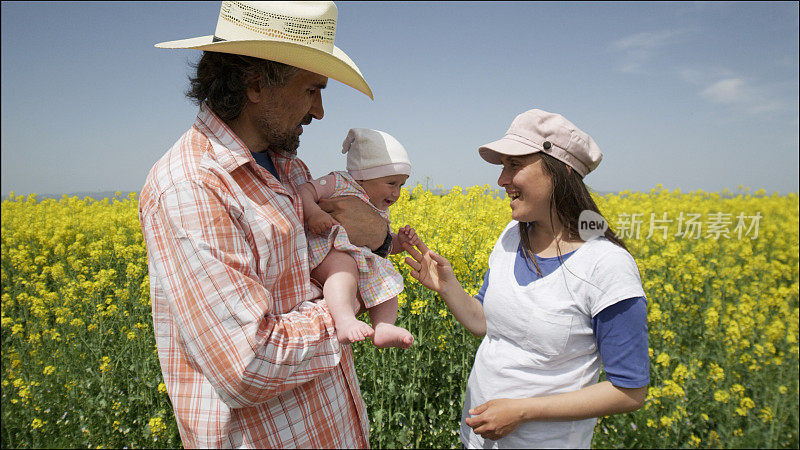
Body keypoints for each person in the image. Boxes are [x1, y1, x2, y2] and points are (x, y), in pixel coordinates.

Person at [139, 2, 387, 447]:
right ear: (255, 84)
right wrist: (348, 307)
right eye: (312, 89)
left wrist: (381, 241)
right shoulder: (191, 186)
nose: (320, 111)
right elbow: (247, 366)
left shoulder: (288, 167)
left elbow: (331, 255)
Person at [403, 109, 649, 448]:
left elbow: (629, 391)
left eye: (514, 165)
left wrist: (522, 412)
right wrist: (449, 287)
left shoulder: (607, 266)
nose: (501, 179)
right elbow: (486, 325)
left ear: (561, 172)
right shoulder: (510, 236)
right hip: (476, 440)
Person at [299, 128, 418, 348]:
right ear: (365, 175)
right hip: (328, 252)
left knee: (385, 275)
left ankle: (383, 326)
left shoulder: (377, 205)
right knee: (343, 267)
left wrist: (399, 242)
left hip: (357, 256)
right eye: (391, 183)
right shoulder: (338, 182)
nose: (397, 193)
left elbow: (379, 245)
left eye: (402, 185)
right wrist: (314, 213)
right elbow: (305, 191)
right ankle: (344, 320)